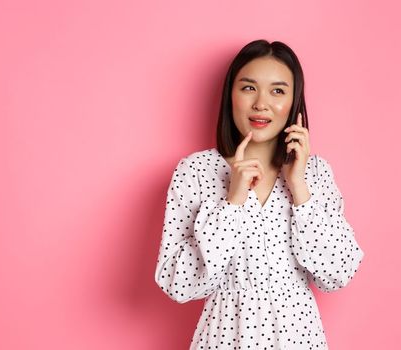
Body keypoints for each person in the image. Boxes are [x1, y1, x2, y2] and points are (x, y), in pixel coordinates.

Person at [154, 39, 365, 349]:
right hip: (225, 338)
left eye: (278, 91)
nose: (261, 104)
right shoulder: (196, 171)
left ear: (294, 102)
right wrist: (232, 202)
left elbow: (338, 272)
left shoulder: (315, 173)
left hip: (299, 339)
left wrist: (300, 189)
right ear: (231, 95)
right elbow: (178, 284)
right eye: (249, 88)